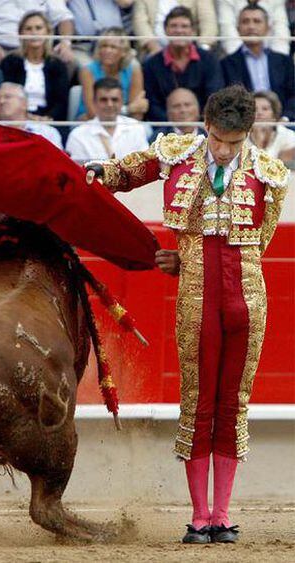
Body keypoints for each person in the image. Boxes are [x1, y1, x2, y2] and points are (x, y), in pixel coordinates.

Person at [84, 84, 289, 544]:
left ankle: (223, 513)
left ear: (248, 135)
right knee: (198, 400)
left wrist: (191, 256)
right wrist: (102, 171)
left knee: (233, 401)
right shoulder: (177, 154)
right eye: (218, 139)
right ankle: (199, 515)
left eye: (234, 143)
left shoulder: (271, 173)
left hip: (246, 299)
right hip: (197, 297)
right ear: (206, 127)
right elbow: (130, 170)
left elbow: (261, 242)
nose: (223, 150)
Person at [143, 6, 224, 122]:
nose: (179, 31)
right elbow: (152, 103)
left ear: (192, 31)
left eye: (184, 26)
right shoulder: (151, 64)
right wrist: (175, 126)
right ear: (165, 30)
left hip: (203, 125)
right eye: (174, 26)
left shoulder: (209, 60)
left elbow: (214, 97)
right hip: (165, 127)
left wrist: (195, 123)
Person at [221, 4, 295, 121]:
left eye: (257, 21)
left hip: (282, 122)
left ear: (267, 27)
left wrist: (285, 119)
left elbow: (293, 95)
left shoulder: (284, 61)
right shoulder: (226, 64)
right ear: (238, 28)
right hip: (243, 124)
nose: (251, 26)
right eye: (245, 22)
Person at [0, 11, 69, 121]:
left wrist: (47, 118)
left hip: (48, 121)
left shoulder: (57, 65)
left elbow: (61, 102)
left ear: (47, 32)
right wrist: (27, 117)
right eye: (28, 29)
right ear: (21, 33)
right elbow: (6, 96)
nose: (34, 33)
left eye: (38, 28)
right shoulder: (10, 62)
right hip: (16, 120)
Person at [0, 0, 74, 66]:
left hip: (39, 48)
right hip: (0, 48)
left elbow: (64, 18)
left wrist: (65, 43)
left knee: (69, 62)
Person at [66, 77, 149, 161]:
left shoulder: (136, 128)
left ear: (122, 102)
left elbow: (144, 166)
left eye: (114, 99)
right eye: (103, 100)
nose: (109, 104)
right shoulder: (77, 135)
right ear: (94, 102)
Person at [77, 27, 148, 121]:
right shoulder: (87, 71)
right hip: (90, 121)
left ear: (124, 52)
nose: (107, 51)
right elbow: (92, 112)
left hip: (125, 123)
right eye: (104, 46)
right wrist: (127, 109)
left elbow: (138, 113)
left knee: (145, 130)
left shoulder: (134, 71)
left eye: (113, 47)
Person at [133, 0, 218, 59]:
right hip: (154, 49)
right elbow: (139, 22)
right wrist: (154, 48)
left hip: (191, 48)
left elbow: (208, 21)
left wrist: (203, 50)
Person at [0, 81, 63, 149]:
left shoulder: (47, 133)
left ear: (25, 103)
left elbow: (57, 159)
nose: (1, 101)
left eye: (7, 97)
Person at [217, 0, 291, 56]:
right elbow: (228, 33)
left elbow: (281, 35)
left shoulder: (277, 2)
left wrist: (278, 61)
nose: (251, 27)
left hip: (269, 56)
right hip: (235, 58)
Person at [249, 90, 295, 163]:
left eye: (265, 109)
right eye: (254, 109)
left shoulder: (288, 135)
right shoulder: (242, 136)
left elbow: (284, 163)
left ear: (274, 113)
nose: (259, 113)